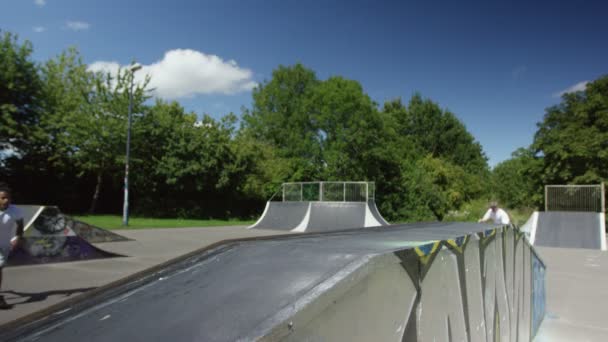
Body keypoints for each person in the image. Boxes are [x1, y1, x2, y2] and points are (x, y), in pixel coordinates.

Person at [0, 183, 24, 310]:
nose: (6, 200)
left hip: (4, 244)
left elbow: (20, 225)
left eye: (8, 198)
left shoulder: (15, 210)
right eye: (3, 198)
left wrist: (18, 237)